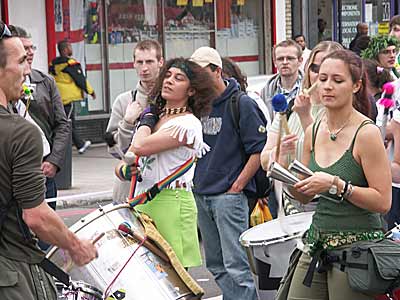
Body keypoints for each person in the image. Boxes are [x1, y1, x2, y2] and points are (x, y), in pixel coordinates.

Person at [282, 49, 391, 299]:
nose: (327, 87)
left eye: (337, 80)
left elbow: (383, 202)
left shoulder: (366, 133)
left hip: (358, 248)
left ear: (356, 86)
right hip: (316, 242)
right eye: (322, 79)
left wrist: (336, 185)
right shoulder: (314, 129)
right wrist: (287, 172)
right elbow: (303, 197)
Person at [0, 21, 97, 300]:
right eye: (21, 62)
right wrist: (76, 246)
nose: (28, 70)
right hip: (10, 272)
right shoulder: (19, 132)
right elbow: (36, 216)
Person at [117, 57, 217, 268]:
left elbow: (140, 146)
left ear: (191, 91)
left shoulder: (188, 124)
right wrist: (124, 170)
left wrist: (145, 119)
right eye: (168, 75)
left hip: (171, 203)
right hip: (143, 201)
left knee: (173, 278)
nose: (169, 81)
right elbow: (126, 159)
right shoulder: (157, 118)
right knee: (147, 276)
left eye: (179, 78)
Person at [191, 46, 267, 300]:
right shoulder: (197, 105)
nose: (197, 80)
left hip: (228, 197)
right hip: (202, 192)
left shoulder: (241, 102)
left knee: (236, 267)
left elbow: (259, 151)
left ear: (217, 71)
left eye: (202, 73)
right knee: (215, 264)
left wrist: (237, 186)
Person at [261, 41, 343, 213]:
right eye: (315, 69)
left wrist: (305, 116)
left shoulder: (341, 112)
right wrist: (279, 153)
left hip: (325, 204)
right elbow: (264, 159)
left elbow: (328, 157)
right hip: (289, 201)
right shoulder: (292, 106)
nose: (321, 76)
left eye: (330, 72)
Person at [9, 25, 70, 208]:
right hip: (18, 171)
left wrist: (54, 161)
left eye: (31, 47)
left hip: (44, 169)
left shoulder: (45, 81)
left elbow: (62, 124)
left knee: (47, 230)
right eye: (24, 48)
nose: (29, 53)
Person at [106, 40, 163, 203]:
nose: (144, 68)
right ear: (134, 64)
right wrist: (127, 122)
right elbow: (115, 151)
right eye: (140, 62)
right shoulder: (123, 101)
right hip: (128, 190)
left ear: (160, 62)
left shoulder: (173, 99)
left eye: (150, 62)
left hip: (162, 188)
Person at [49, 40, 95, 154]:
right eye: (69, 47)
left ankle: (77, 144)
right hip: (67, 98)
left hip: (57, 96)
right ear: (65, 49)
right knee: (68, 123)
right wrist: (90, 91)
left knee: (64, 122)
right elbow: (80, 80)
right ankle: (79, 145)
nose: (71, 49)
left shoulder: (53, 63)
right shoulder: (71, 63)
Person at [261, 39, 303, 122]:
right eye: (280, 59)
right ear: (275, 62)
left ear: (300, 61)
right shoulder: (266, 92)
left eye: (290, 58)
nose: (285, 62)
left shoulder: (310, 87)